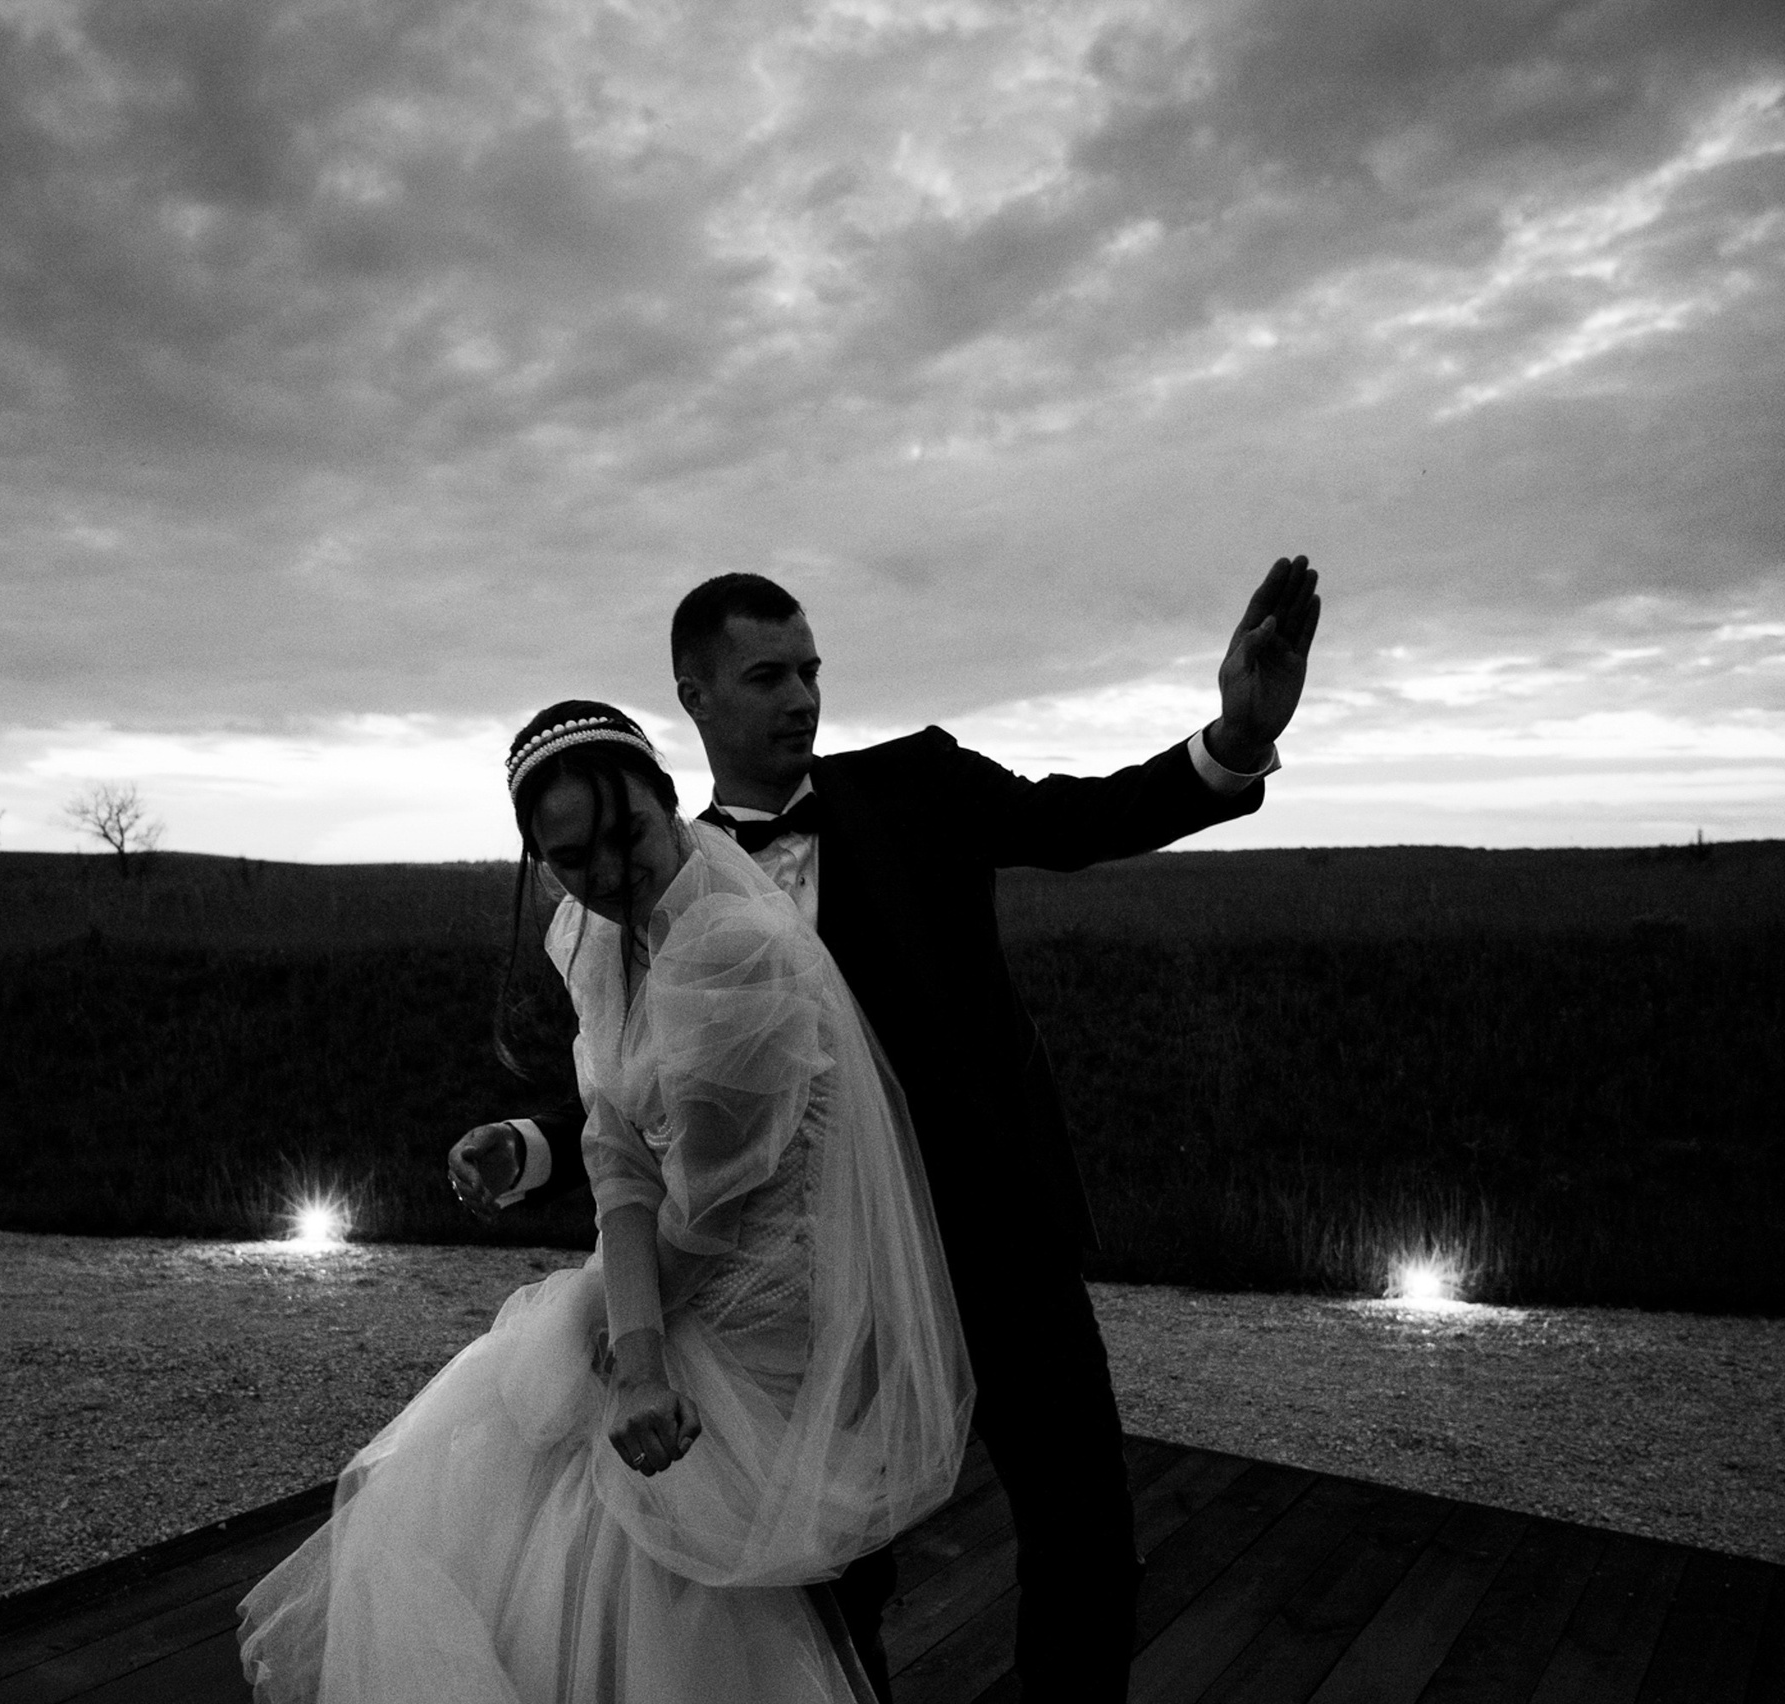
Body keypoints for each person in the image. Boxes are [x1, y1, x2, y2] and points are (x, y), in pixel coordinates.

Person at [449, 558, 1321, 1701]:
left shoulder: (919, 786)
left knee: (1083, 1529)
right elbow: (657, 1084)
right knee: (832, 1568)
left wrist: (1235, 741)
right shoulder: (656, 869)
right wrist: (539, 1140)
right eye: (768, 676)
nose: (802, 698)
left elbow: (1081, 816)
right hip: (815, 1285)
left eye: (810, 670)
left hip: (991, 1229)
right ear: (695, 695)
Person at [240, 701, 975, 1703]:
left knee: (680, 1561)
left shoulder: (733, 949)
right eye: (570, 857)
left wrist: (633, 1357)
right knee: (519, 1479)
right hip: (668, 1270)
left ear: (667, 800)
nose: (606, 872)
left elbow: (707, 1211)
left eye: (625, 833)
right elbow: (619, 1152)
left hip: (764, 1301)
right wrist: (624, 1332)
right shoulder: (592, 934)